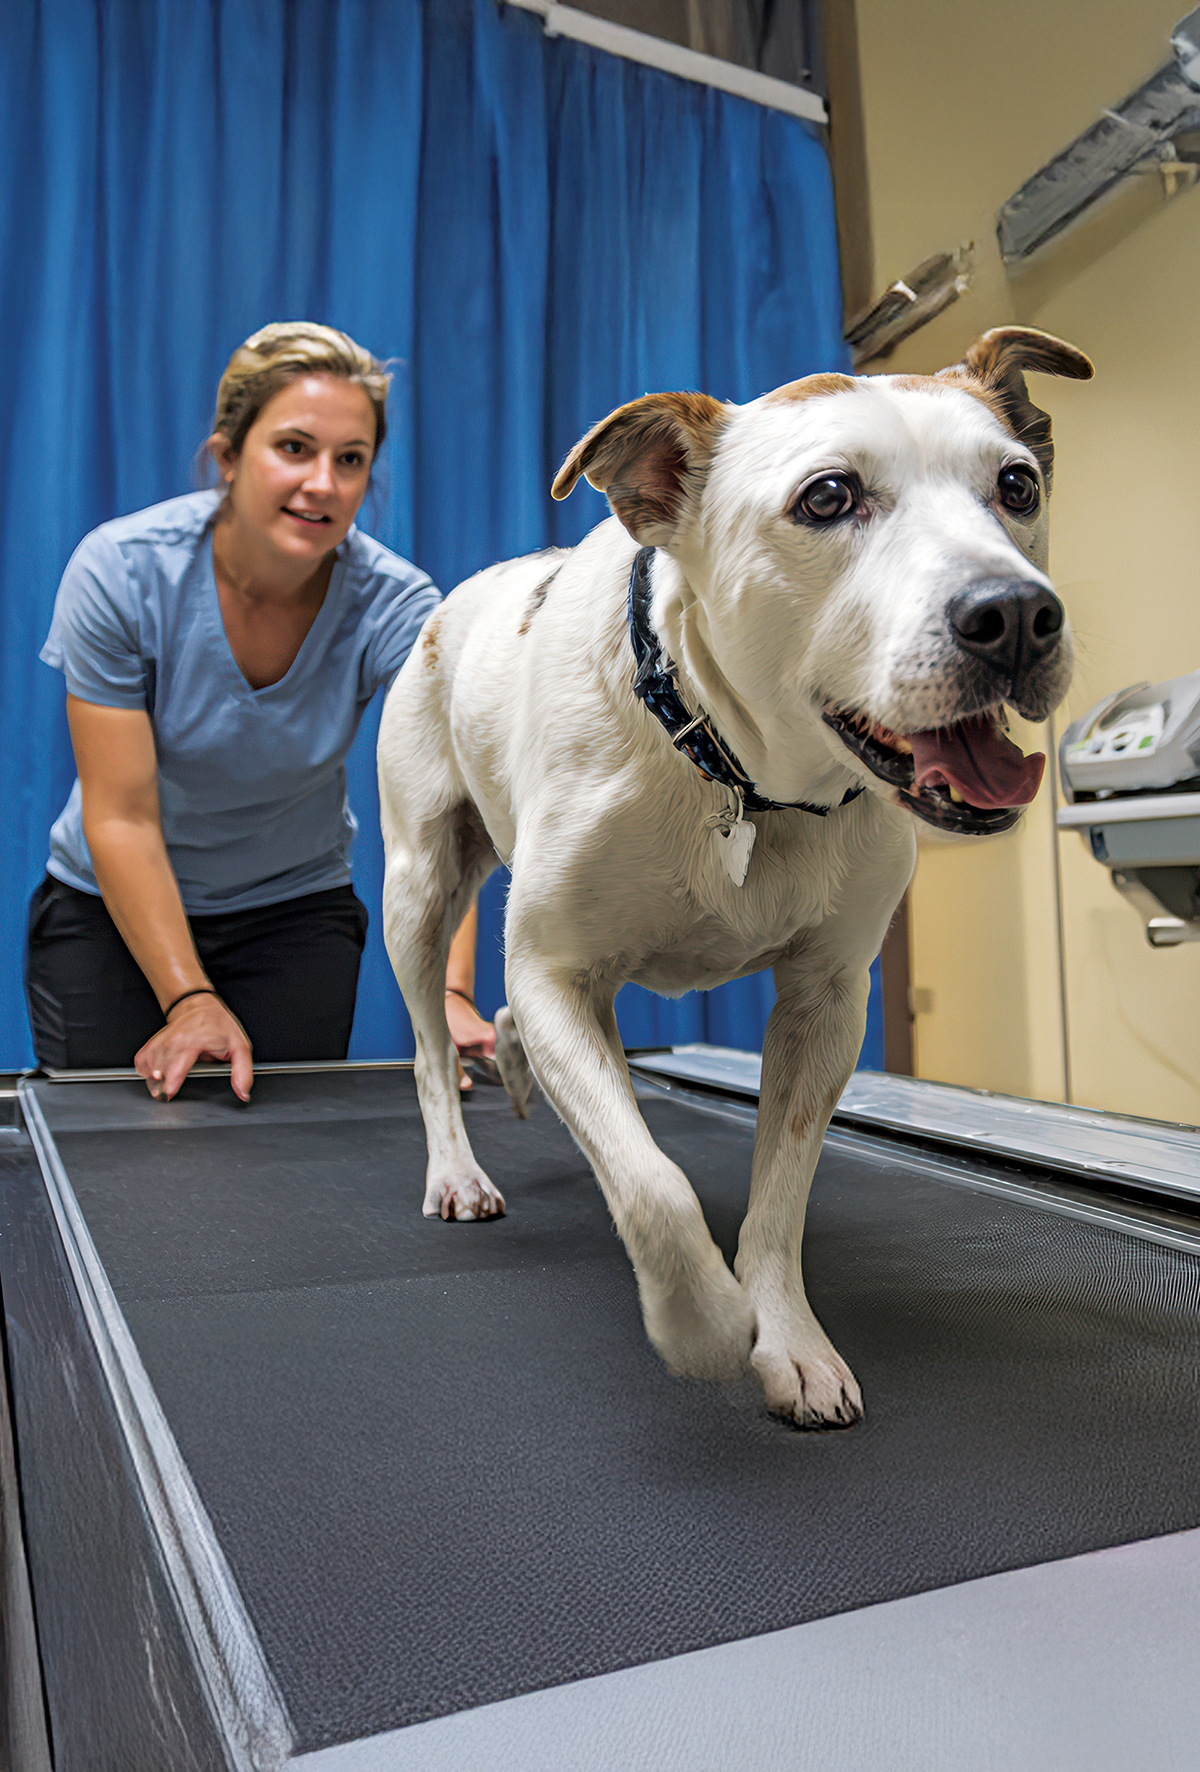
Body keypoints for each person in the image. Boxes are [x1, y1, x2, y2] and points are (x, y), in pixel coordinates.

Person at [25, 321, 494, 1101]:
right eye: (294, 449)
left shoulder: (399, 606)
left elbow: (450, 808)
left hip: (293, 913)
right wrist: (189, 997)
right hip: (107, 911)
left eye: (351, 461)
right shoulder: (119, 573)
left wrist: (448, 995)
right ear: (228, 456)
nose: (323, 484)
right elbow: (122, 816)